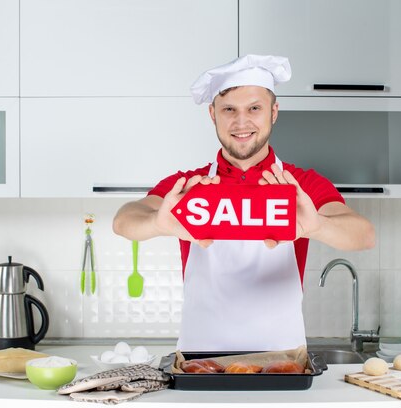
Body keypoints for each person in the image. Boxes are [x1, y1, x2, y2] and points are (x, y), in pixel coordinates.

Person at [113, 55, 375, 351]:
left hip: (282, 360)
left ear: (273, 112)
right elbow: (124, 221)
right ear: (212, 114)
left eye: (254, 108)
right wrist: (157, 223)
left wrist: (316, 225)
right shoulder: (190, 185)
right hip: (200, 361)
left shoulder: (300, 184)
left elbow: (363, 235)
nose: (241, 122)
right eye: (229, 110)